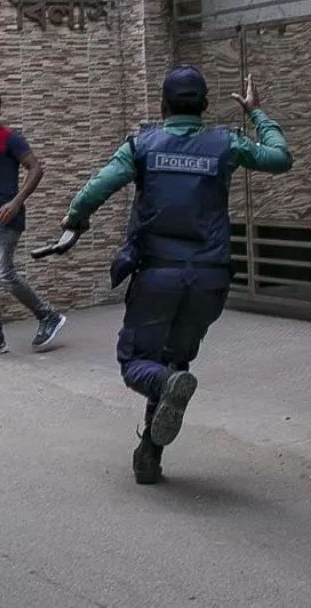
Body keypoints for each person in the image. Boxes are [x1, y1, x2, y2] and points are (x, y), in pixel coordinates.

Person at [62, 68, 292, 485]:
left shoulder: (143, 145)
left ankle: (166, 387)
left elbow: (97, 188)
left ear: (163, 105)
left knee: (139, 363)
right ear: (205, 107)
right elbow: (280, 158)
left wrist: (75, 218)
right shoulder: (225, 144)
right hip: (209, 279)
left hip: (157, 276)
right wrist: (257, 113)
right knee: (174, 361)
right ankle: (149, 455)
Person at [0, 85, 66, 356]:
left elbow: (36, 168)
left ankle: (48, 315)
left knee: (3, 273)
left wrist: (16, 202)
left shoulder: (10, 138)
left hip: (6, 219)